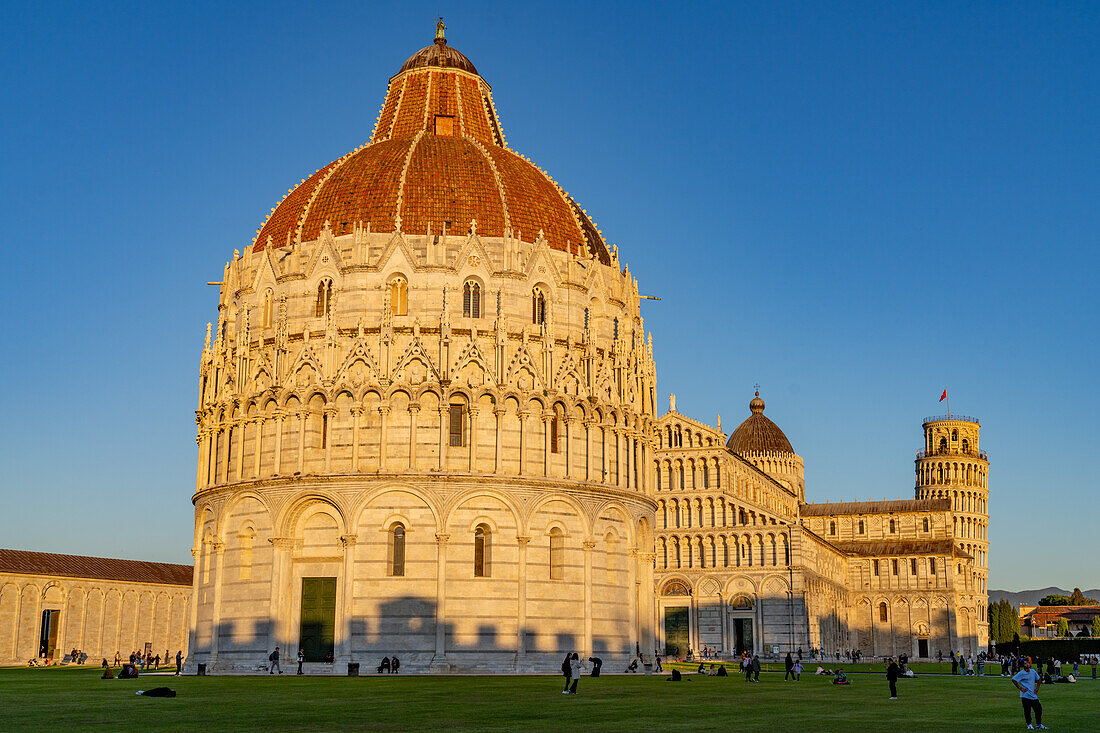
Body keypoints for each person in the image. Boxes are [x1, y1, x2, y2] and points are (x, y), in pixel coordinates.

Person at [1011, 657, 1046, 729]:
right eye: (1025, 663)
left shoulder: (1033, 671)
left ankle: (1038, 724)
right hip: (1025, 695)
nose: (1027, 664)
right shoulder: (1021, 673)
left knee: (1039, 709)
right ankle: (1029, 724)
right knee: (1027, 711)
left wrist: (1037, 689)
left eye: (1028, 663)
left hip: (1033, 695)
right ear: (1023, 665)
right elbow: (1014, 680)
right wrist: (1020, 688)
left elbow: (1039, 679)